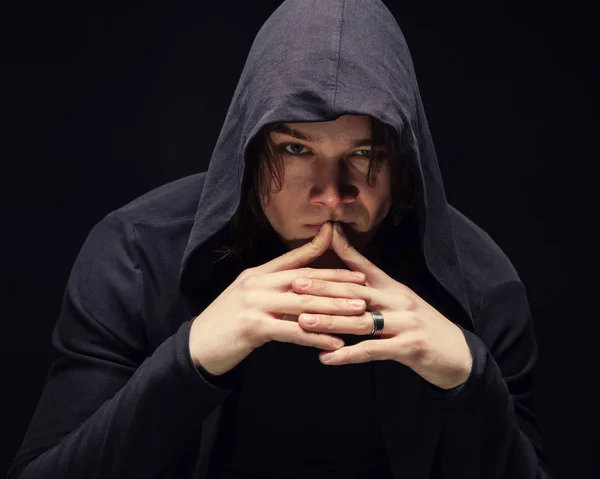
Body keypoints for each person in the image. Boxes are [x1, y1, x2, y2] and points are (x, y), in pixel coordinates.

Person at [8, 0, 554, 478]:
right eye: (296, 150)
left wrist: (467, 377)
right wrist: (191, 358)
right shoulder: (135, 255)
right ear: (246, 148)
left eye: (366, 154)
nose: (332, 194)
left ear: (406, 161)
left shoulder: (482, 284)